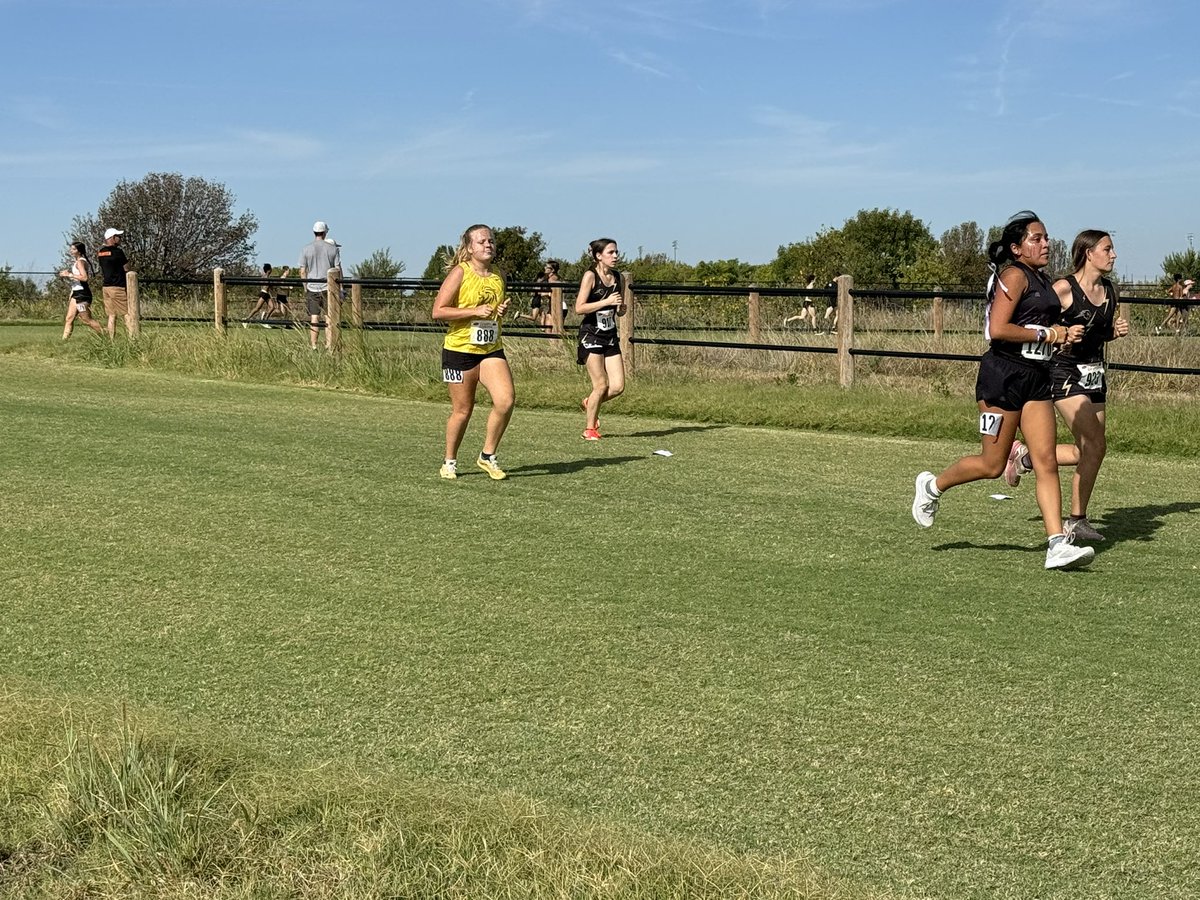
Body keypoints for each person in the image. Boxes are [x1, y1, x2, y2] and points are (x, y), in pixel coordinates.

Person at [911, 210, 1094, 570]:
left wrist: (1062, 335)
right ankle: (932, 487)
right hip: (1003, 376)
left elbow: (1040, 326)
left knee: (1045, 461)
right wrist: (1048, 334)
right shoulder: (1013, 275)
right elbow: (997, 330)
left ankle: (1057, 544)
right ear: (1017, 247)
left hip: (1037, 378)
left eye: (1046, 238)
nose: (1046, 243)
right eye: (1036, 238)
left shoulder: (1042, 279)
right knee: (992, 465)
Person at [1003, 230, 1130, 542]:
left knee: (1091, 450)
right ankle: (1075, 521)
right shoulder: (1063, 288)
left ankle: (1026, 458)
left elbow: (1095, 333)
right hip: (1064, 371)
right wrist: (1059, 333)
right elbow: (1032, 324)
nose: (1113, 255)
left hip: (1095, 374)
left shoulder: (1110, 290)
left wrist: (1113, 332)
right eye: (1108, 249)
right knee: (1095, 445)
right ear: (1089, 253)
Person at [432, 224, 513, 481]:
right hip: (458, 351)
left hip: (490, 349)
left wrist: (499, 311)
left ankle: (487, 456)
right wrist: (474, 312)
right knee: (463, 410)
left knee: (506, 400)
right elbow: (439, 311)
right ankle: (449, 460)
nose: (487, 245)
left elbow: (491, 309)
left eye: (490, 241)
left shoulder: (499, 275)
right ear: (469, 248)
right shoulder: (460, 273)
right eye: (481, 242)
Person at [575, 238, 627, 440]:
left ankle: (590, 403)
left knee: (617, 387)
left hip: (610, 335)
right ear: (598, 256)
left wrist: (620, 310)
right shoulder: (590, 276)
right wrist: (606, 301)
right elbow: (579, 308)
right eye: (611, 252)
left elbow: (618, 310)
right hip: (591, 335)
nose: (615, 256)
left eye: (616, 252)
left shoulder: (618, 277)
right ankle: (590, 429)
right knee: (601, 385)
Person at [297, 221, 340, 350]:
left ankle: (314, 345)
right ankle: (328, 344)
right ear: (325, 232)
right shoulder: (333, 249)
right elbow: (337, 269)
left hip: (312, 286)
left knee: (314, 317)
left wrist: (305, 286)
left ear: (314, 232)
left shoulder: (306, 249)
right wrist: (340, 288)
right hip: (328, 287)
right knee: (329, 317)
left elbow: (303, 270)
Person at [59, 241, 104, 338]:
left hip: (82, 294)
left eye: (74, 249)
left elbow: (84, 277)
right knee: (69, 318)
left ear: (79, 251)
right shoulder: (77, 262)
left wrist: (69, 274)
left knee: (86, 319)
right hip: (76, 293)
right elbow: (77, 279)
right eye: (71, 249)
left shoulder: (80, 262)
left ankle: (106, 332)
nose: (71, 251)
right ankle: (63, 341)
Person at [96, 227, 132, 338]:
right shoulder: (118, 252)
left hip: (106, 286)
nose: (120, 239)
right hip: (118, 287)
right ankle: (133, 337)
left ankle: (111, 339)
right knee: (126, 313)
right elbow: (126, 268)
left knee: (111, 315)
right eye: (118, 237)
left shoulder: (101, 252)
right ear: (112, 238)